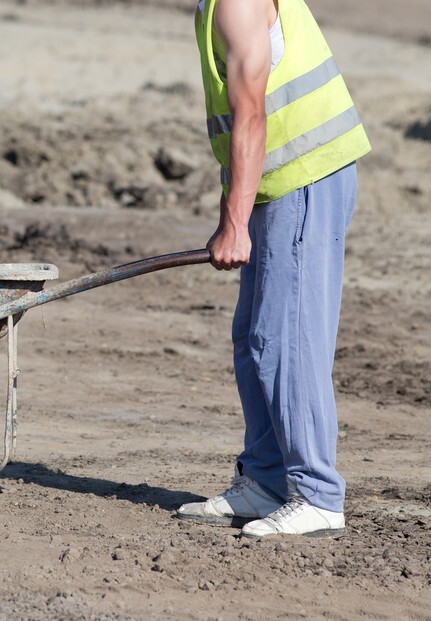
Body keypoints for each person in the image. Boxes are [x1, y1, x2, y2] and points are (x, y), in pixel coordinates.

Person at [175, 0, 370, 538]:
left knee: (286, 336)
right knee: (253, 336)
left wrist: (235, 224)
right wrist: (232, 215)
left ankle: (316, 493)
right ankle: (266, 481)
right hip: (276, 181)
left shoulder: (235, 2)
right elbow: (238, 124)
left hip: (305, 176)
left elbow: (253, 114)